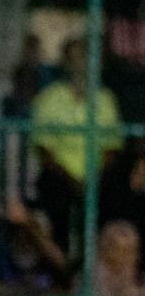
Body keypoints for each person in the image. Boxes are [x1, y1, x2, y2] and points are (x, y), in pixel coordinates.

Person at [31, 36, 124, 255]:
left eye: (86, 57)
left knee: (117, 192)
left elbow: (112, 148)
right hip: (60, 176)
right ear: (65, 63)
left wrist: (93, 179)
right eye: (75, 58)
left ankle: (102, 264)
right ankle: (62, 267)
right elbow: (44, 150)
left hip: (98, 176)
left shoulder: (105, 99)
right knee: (53, 191)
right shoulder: (49, 99)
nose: (81, 64)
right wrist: (73, 181)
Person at [91, 219, 144, 296]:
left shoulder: (138, 280)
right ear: (105, 250)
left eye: (132, 251)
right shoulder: (90, 280)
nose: (128, 257)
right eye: (120, 250)